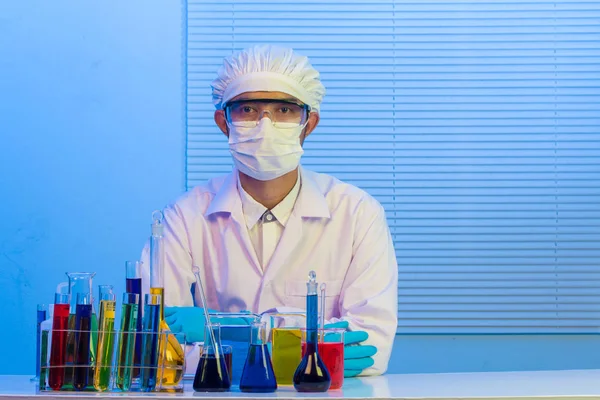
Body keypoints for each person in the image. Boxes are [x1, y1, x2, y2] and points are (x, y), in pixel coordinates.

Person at [140, 44, 398, 377]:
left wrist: (222, 333)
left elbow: (370, 348)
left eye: (284, 110)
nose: (265, 124)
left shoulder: (358, 213)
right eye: (247, 109)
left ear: (309, 123)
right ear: (224, 122)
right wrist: (308, 351)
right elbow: (156, 348)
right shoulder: (184, 217)